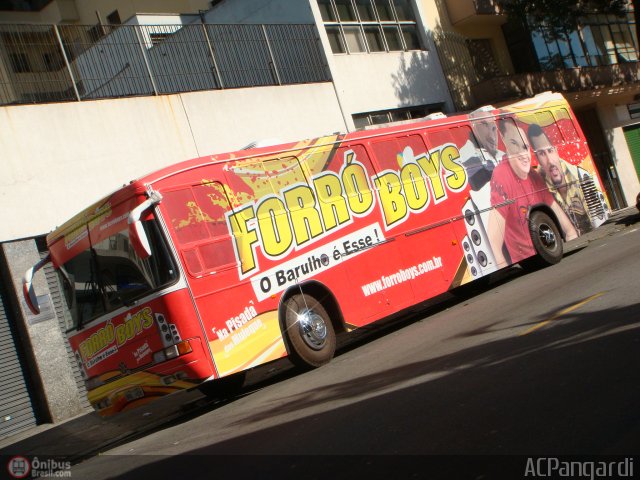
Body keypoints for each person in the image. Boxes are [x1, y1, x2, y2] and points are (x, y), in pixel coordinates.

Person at [487, 119, 578, 265]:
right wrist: (502, 266)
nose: (522, 153)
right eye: (514, 144)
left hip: (542, 254)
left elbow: (568, 229)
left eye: (525, 147)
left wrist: (572, 241)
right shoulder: (501, 175)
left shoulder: (533, 176)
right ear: (504, 142)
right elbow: (494, 240)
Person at [527, 123, 593, 235]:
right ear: (537, 158)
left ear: (556, 150)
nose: (550, 161)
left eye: (550, 151)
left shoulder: (577, 173)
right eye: (542, 154)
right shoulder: (539, 186)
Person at [460, 108, 504, 191]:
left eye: (493, 128)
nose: (492, 136)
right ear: (472, 125)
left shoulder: (502, 155)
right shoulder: (465, 157)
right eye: (484, 125)